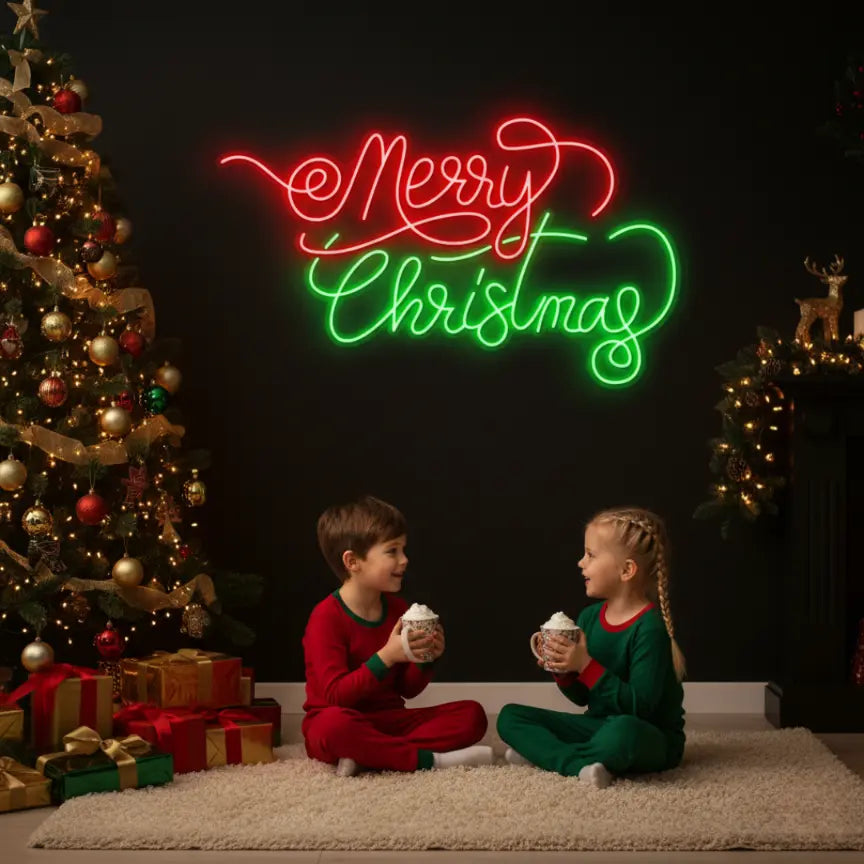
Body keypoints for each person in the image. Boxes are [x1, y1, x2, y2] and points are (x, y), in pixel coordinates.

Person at [497, 506, 686, 788]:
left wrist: (586, 664)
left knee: (622, 733)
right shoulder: (588, 618)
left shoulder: (649, 629)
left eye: (591, 555)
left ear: (626, 570)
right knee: (510, 717)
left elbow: (641, 708)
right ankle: (579, 763)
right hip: (598, 725)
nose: (580, 563)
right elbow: (582, 698)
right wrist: (565, 670)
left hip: (649, 735)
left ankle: (550, 757)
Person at [302, 494, 491, 775]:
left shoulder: (398, 610)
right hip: (338, 717)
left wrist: (425, 659)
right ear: (353, 562)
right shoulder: (325, 617)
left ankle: (370, 753)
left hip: (389, 719)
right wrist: (386, 656)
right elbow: (335, 697)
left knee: (472, 715)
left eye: (403, 549)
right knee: (333, 727)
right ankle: (427, 760)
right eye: (392, 551)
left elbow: (406, 689)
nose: (404, 560)